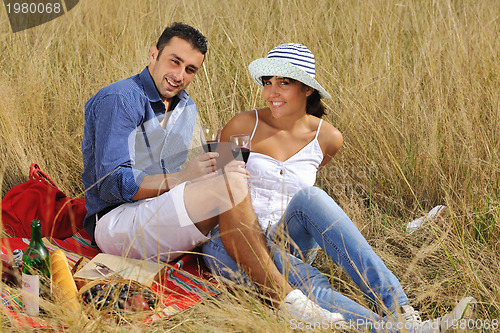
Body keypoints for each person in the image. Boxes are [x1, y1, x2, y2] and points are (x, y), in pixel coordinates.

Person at [81, 23, 345, 326]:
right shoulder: (120, 99)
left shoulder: (186, 106)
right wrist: (184, 179)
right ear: (153, 54)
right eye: (174, 61)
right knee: (229, 186)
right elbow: (111, 185)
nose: (180, 76)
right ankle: (286, 301)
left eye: (191, 69)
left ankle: (362, 310)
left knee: (232, 183)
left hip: (161, 215)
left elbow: (178, 177)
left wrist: (206, 176)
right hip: (116, 224)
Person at [202, 43, 476, 332]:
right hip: (236, 239)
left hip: (288, 238)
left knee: (310, 196)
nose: (272, 92)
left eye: (284, 82)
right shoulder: (244, 124)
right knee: (307, 280)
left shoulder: (328, 137)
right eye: (267, 82)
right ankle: (397, 330)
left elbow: (305, 189)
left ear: (307, 88)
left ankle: (400, 309)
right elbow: (216, 190)